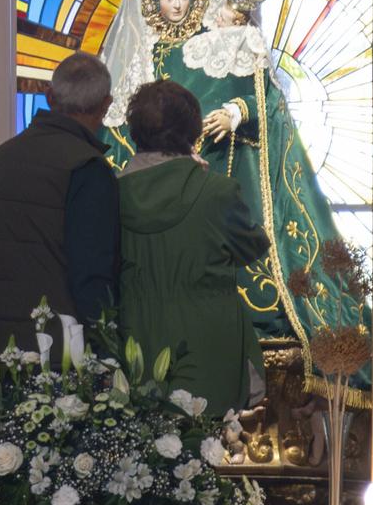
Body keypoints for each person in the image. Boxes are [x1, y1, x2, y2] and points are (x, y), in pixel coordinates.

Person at [100, 0, 370, 401]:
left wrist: (236, 112)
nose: (177, 5)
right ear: (151, 1)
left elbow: (260, 95)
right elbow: (117, 131)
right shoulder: (140, 63)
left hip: (151, 319)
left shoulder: (220, 46)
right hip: (207, 311)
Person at [114, 80, 271, 417]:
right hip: (209, 347)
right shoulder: (217, 192)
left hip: (135, 347)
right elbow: (253, 247)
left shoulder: (111, 195)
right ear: (192, 131)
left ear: (133, 130)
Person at [0, 52, 119, 357]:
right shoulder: (86, 168)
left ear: (49, 97)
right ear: (106, 105)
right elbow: (92, 272)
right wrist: (107, 349)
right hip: (54, 348)